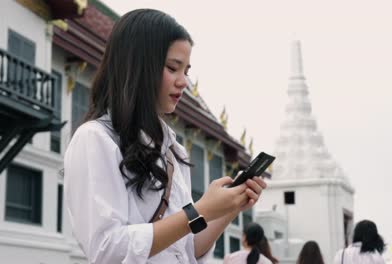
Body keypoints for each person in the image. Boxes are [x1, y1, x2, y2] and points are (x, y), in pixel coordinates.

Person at [63, 9, 267, 264]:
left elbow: (187, 248)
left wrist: (229, 207)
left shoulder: (173, 151)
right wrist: (201, 209)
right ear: (138, 65)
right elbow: (106, 249)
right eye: (173, 68)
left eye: (186, 71)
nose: (183, 82)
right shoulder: (94, 139)